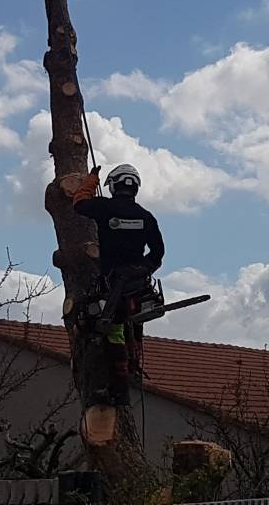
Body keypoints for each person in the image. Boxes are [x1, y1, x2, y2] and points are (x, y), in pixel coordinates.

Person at [72, 163, 165, 404]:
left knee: (111, 331)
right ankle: (133, 367)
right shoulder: (146, 217)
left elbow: (79, 203)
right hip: (137, 285)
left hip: (112, 287)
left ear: (113, 186)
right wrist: (143, 268)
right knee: (132, 324)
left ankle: (119, 390)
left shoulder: (105, 208)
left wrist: (91, 180)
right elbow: (158, 252)